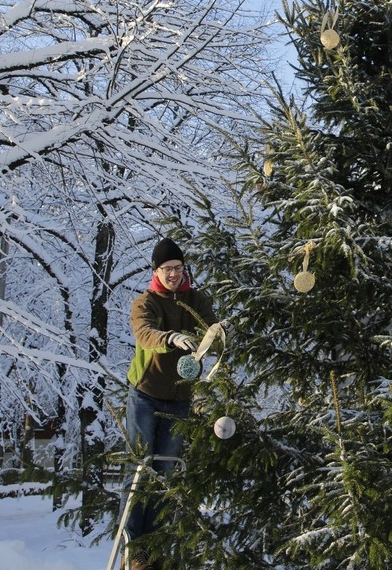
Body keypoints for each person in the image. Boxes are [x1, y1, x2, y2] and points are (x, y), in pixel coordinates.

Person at [122, 237, 216, 570]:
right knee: (141, 470)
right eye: (167, 269)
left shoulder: (195, 299)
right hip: (146, 394)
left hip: (179, 398)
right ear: (156, 271)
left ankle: (157, 546)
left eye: (178, 268)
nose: (173, 274)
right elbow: (144, 333)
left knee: (166, 473)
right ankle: (135, 549)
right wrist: (170, 338)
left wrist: (219, 333)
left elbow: (211, 326)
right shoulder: (145, 302)